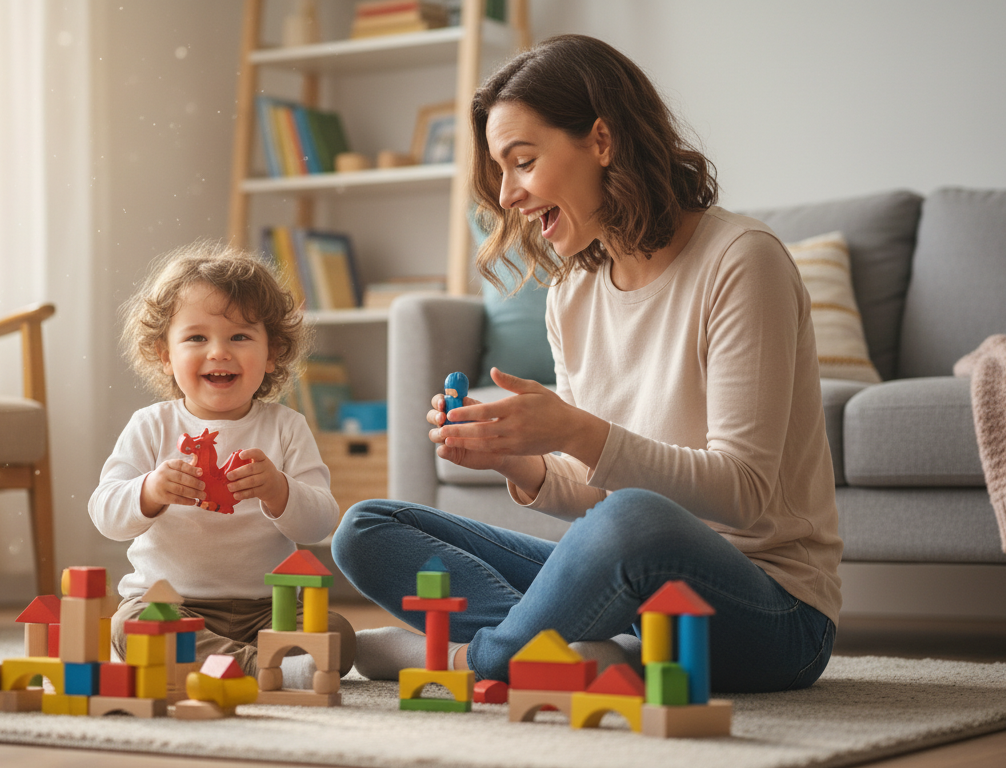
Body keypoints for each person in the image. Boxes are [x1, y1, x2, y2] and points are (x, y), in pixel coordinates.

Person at [332, 34, 841, 692]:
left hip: (770, 613)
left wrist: (575, 431)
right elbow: (594, 497)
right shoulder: (572, 292)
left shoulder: (742, 260)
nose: (508, 194)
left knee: (634, 517)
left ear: (601, 141)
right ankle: (580, 656)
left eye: (522, 161)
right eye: (500, 171)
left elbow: (743, 496)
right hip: (634, 594)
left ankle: (470, 660)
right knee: (367, 527)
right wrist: (516, 457)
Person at [89, 241, 355, 683]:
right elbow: (106, 515)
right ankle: (259, 668)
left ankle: (229, 665)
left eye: (240, 337)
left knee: (337, 634)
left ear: (272, 354)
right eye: (196, 337)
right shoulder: (151, 425)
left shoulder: (287, 427)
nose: (218, 352)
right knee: (131, 626)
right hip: (172, 603)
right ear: (164, 354)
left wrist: (279, 490)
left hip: (271, 608)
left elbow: (320, 524)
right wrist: (150, 491)